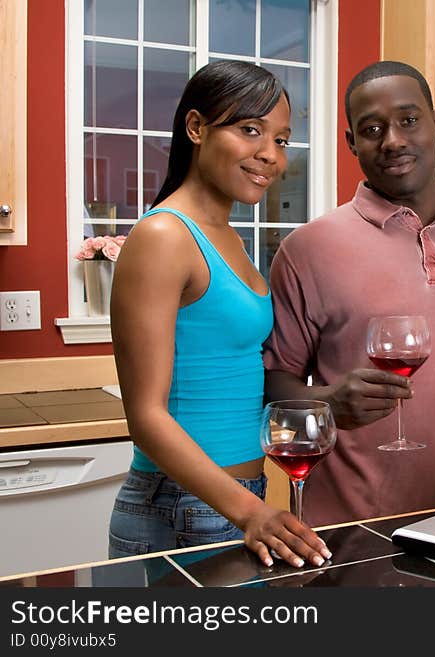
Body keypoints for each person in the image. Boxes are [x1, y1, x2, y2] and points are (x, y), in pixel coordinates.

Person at [264, 60, 435, 527]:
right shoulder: (306, 250)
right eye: (371, 129)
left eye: (409, 120)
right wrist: (327, 403)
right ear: (352, 143)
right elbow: (273, 390)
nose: (392, 140)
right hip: (344, 528)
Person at [108, 60, 330, 569]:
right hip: (185, 506)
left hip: (232, 498)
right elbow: (146, 417)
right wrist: (250, 511)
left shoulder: (227, 236)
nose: (270, 155)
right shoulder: (164, 236)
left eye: (281, 140)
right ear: (196, 128)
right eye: (250, 130)